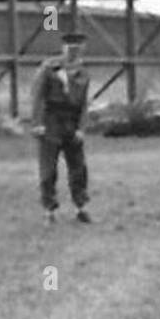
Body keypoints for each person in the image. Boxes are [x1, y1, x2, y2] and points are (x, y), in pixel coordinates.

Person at [30, 31, 91, 224]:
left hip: (71, 121)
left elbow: (83, 104)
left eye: (77, 48)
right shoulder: (49, 68)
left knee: (78, 167)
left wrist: (81, 128)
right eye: (70, 48)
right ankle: (50, 210)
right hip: (51, 120)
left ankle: (80, 207)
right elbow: (38, 96)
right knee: (48, 169)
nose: (73, 52)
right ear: (63, 48)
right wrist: (38, 123)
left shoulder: (83, 72)